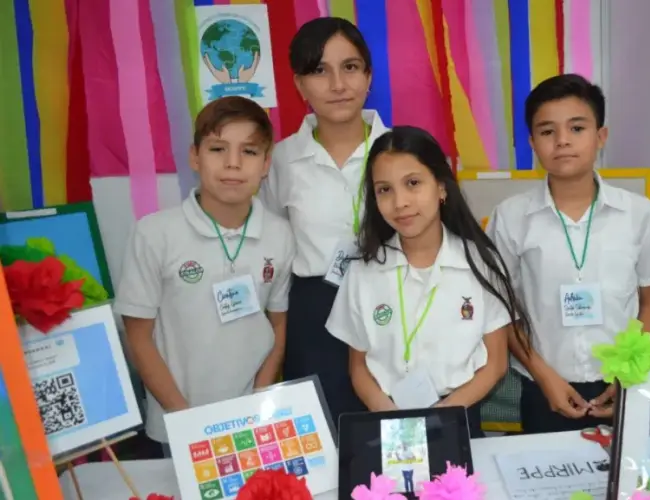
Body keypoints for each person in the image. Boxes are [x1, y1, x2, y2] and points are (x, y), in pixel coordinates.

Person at [487, 74, 650, 434]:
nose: (562, 141)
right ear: (533, 142)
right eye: (547, 132)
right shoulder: (510, 217)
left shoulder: (639, 214)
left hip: (622, 382)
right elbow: (501, 310)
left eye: (577, 128)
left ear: (600, 136)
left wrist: (627, 374)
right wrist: (543, 376)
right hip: (542, 386)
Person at [115, 97, 295, 456]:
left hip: (249, 422)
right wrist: (186, 421)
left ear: (265, 164)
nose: (232, 163)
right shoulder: (155, 233)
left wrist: (258, 402)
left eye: (249, 151)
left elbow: (276, 326)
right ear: (195, 157)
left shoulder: (280, 234)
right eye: (217, 149)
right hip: (178, 420)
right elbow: (139, 338)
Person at [325, 126, 532, 438]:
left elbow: (496, 364)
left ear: (441, 187)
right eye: (384, 190)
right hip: (388, 422)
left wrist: (445, 414)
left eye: (413, 183)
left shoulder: (480, 264)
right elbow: (359, 367)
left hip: (460, 415)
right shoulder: (363, 273)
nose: (401, 202)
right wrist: (389, 416)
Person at [259, 17, 388, 425]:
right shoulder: (280, 159)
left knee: (393, 430)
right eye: (319, 70)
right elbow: (272, 243)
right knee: (324, 436)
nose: (337, 84)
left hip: (397, 301)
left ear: (368, 76)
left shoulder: (403, 150)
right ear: (299, 85)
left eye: (350, 67)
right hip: (316, 311)